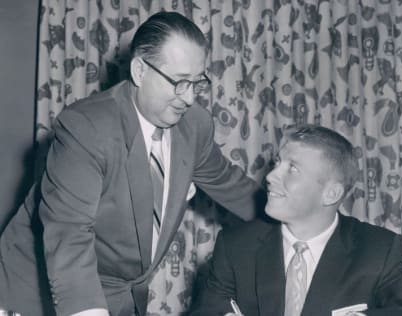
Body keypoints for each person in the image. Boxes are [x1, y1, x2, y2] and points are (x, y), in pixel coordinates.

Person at [0, 11, 264, 316]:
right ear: (140, 71)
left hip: (118, 295)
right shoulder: (87, 127)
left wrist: (300, 218)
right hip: (36, 294)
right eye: (179, 82)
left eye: (197, 82)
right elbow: (69, 235)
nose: (189, 98)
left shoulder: (195, 126)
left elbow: (233, 187)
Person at [189, 124, 402, 316]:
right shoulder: (236, 247)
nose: (271, 176)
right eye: (277, 163)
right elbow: (208, 310)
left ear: (331, 193)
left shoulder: (378, 250)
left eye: (292, 169)